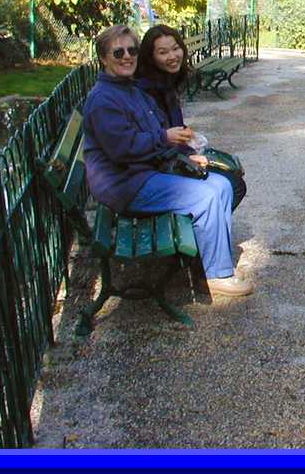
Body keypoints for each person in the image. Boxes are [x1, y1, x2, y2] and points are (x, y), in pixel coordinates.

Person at [81, 24, 253, 297]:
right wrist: (165, 140)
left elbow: (155, 130)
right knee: (206, 196)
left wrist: (178, 152)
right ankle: (215, 275)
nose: (127, 57)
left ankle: (210, 264)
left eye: (132, 50)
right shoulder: (104, 99)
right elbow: (123, 149)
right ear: (103, 58)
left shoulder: (129, 89)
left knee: (222, 185)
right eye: (118, 52)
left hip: (142, 173)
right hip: (125, 185)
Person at [135, 24, 247, 210]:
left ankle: (205, 226)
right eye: (163, 52)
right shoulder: (149, 89)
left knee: (232, 171)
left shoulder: (165, 82)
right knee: (234, 185)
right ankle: (200, 227)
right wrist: (190, 156)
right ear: (151, 57)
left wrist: (190, 143)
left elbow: (175, 128)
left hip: (173, 155)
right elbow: (158, 138)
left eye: (175, 48)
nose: (172, 56)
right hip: (159, 167)